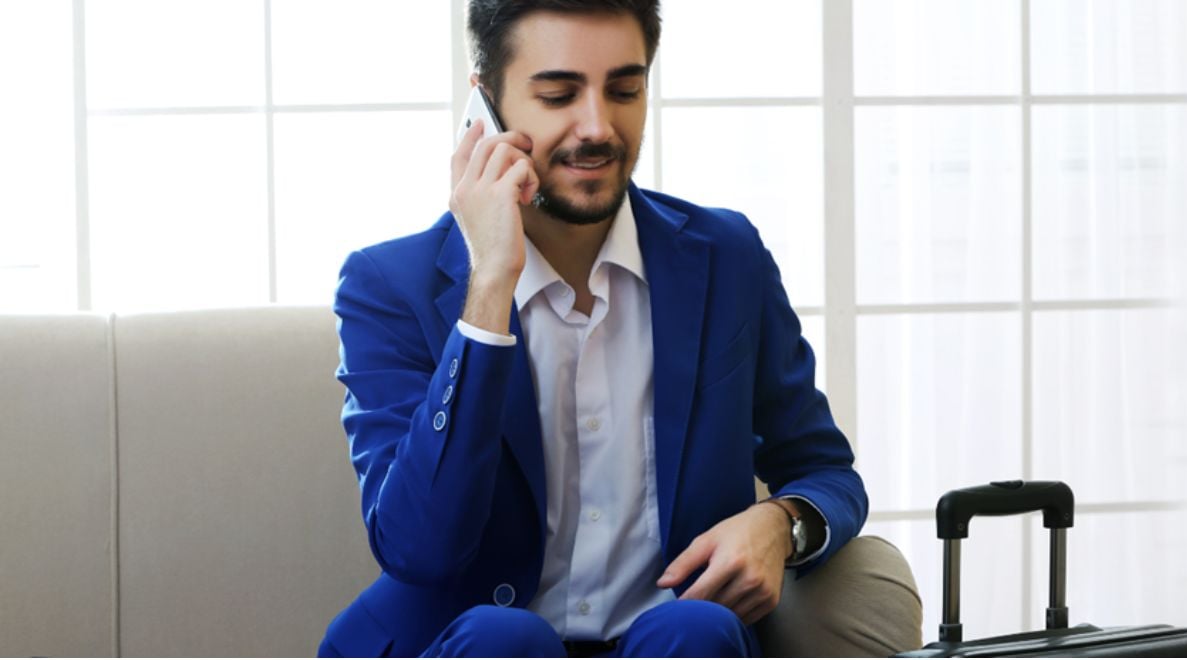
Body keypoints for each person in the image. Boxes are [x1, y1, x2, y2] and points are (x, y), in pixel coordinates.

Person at [318, 0, 881, 656]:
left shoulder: (729, 258)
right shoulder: (387, 285)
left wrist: (780, 523)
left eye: (624, 91)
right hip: (473, 644)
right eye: (558, 95)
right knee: (505, 640)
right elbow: (419, 549)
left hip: (673, 641)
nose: (597, 127)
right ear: (486, 105)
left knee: (697, 631)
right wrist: (491, 283)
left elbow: (825, 469)